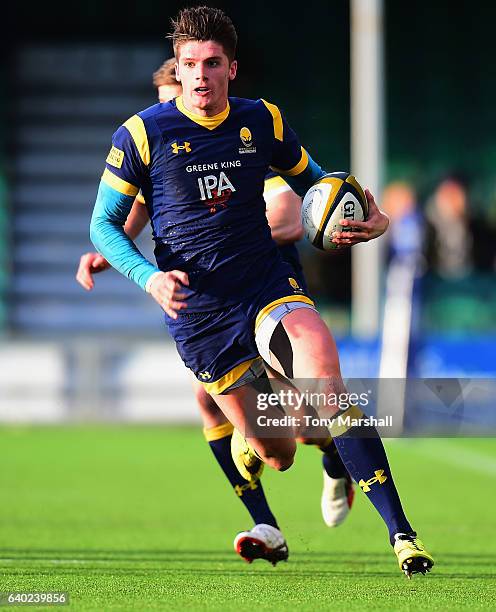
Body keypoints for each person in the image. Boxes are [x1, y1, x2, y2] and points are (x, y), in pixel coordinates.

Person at [89, 6, 433, 577]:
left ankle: (403, 535)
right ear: (177, 67)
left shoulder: (261, 121)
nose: (199, 74)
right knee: (279, 451)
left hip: (266, 285)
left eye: (212, 63)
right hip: (201, 313)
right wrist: (145, 274)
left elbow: (317, 185)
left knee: (327, 383)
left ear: (232, 68)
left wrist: (365, 218)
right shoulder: (141, 133)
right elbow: (104, 223)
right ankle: (312, 463)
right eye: (189, 63)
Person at [78, 58, 359, 565]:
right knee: (211, 401)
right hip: (204, 304)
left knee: (299, 422)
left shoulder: (242, 143)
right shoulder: (159, 149)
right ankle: (265, 522)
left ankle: (337, 456)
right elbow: (136, 212)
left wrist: (223, 238)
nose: (175, 116)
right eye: (166, 105)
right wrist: (113, 252)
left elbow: (292, 215)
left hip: (264, 291)